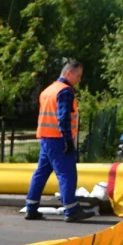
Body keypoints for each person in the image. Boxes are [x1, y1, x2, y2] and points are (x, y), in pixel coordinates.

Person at [25, 60, 94, 223]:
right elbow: (63, 117)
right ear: (68, 73)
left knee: (41, 173)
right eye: (78, 76)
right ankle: (71, 210)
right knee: (67, 174)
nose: (79, 79)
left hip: (46, 138)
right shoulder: (65, 91)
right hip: (58, 138)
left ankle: (31, 208)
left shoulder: (48, 90)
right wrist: (68, 140)